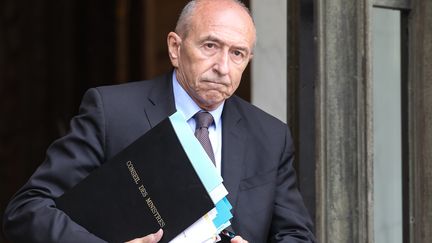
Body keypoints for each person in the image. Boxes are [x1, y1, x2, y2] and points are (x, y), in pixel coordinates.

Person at [3, 0, 316, 242]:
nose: (223, 66)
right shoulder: (112, 112)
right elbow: (27, 210)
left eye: (237, 53)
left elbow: (296, 235)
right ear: (175, 48)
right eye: (210, 46)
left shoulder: (271, 136)